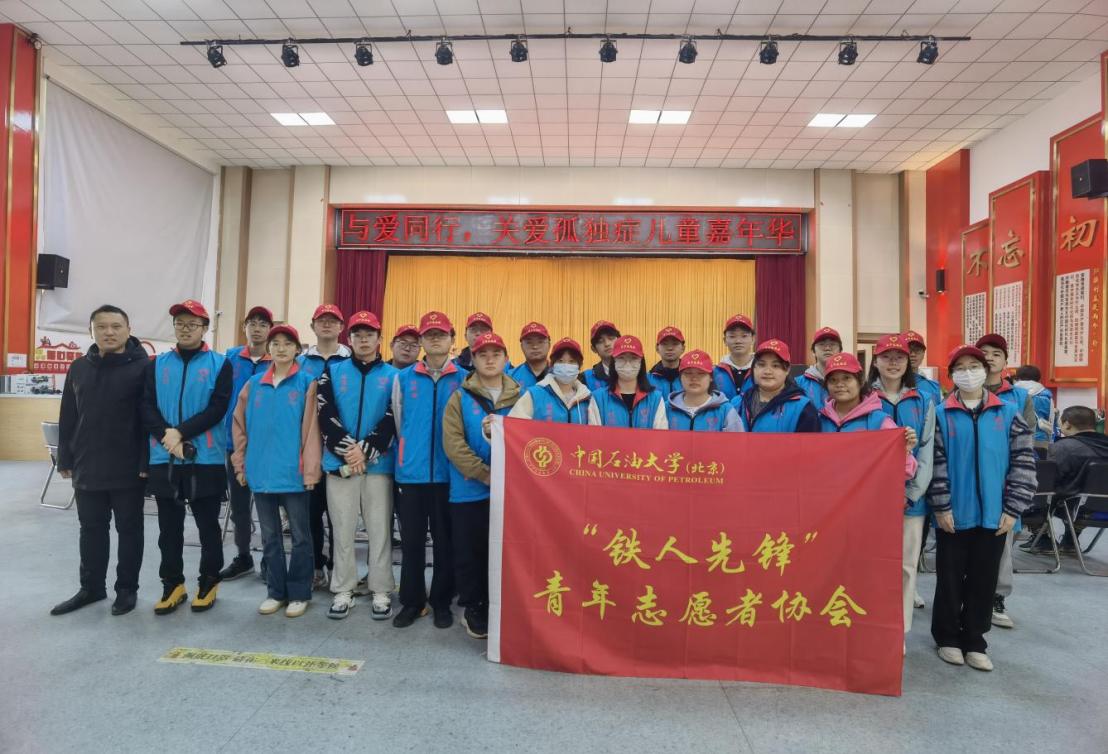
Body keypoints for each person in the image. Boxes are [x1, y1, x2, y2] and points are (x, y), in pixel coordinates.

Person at [928, 344, 1036, 672]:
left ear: (985, 370)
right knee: (949, 579)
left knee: (983, 580)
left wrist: (1013, 508)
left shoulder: (1008, 412)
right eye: (960, 367)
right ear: (951, 375)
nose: (968, 372)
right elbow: (935, 464)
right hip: (953, 515)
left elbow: (1023, 462)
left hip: (995, 516)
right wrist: (941, 506)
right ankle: (947, 636)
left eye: (974, 366)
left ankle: (975, 639)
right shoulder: (941, 414)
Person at [51, 305, 150, 617]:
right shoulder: (79, 367)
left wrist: (146, 463)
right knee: (91, 529)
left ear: (128, 329)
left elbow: (149, 420)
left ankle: (127, 590)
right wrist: (64, 456)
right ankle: (91, 587)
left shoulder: (144, 368)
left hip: (128, 467)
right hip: (87, 464)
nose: (109, 332)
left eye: (116, 326)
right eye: (102, 326)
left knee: (129, 530)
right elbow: (68, 415)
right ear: (91, 331)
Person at [141, 299, 232, 615]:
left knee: (208, 526)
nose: (185, 329)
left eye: (193, 324)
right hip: (164, 457)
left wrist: (179, 432)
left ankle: (209, 580)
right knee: (168, 529)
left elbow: (218, 408)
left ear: (205, 328)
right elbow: (146, 406)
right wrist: (167, 438)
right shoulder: (156, 365)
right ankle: (172, 584)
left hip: (204, 459)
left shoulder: (220, 364)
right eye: (180, 323)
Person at [231, 325, 321, 618]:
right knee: (270, 537)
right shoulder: (253, 384)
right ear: (269, 349)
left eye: (288, 343)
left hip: (294, 474)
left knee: (301, 537)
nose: (281, 349)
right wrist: (240, 464)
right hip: (260, 473)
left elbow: (311, 431)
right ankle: (276, 591)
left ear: (298, 349)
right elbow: (239, 427)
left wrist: (310, 471)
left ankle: (299, 592)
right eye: (276, 343)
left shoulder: (307, 383)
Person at [315, 311, 398, 621]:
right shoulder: (332, 372)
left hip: (379, 466)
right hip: (340, 465)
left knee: (380, 530)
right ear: (348, 339)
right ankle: (343, 589)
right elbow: (325, 413)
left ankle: (381, 588)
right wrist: (349, 450)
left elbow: (393, 417)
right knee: (342, 529)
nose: (364, 340)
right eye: (357, 335)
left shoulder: (395, 377)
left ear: (379, 338)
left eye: (369, 334)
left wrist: (366, 450)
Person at [443, 332, 521, 639]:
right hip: (469, 490)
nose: (490, 360)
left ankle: (500, 605)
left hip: (511, 492)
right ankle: (473, 606)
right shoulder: (459, 398)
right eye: (482, 354)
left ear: (506, 358)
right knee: (470, 552)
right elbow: (453, 444)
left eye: (496, 354)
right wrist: (485, 474)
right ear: (472, 360)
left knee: (504, 552)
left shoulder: (522, 396)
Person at [390, 310, 465, 629]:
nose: (435, 339)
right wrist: (408, 453)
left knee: (445, 542)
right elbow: (398, 421)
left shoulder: (464, 379)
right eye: (429, 334)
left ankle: (441, 601)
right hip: (412, 474)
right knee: (412, 543)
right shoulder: (404, 378)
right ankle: (412, 601)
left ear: (452, 340)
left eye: (441, 334)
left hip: (449, 475)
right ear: (421, 340)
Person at [868, 334, 937, 636]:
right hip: (871, 501)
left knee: (906, 567)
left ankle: (899, 632)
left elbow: (928, 450)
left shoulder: (923, 400)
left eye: (900, 357)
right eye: (886, 357)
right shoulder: (864, 397)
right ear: (875, 361)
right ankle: (871, 627)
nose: (893, 363)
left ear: (909, 361)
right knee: (870, 565)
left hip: (912, 502)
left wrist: (912, 494)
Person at [975, 333, 1036, 631]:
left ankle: (997, 597)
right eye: (983, 352)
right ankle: (968, 596)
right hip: (968, 480)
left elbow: (1027, 441)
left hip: (1002, 483)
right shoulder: (958, 393)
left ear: (1005, 361)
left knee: (1003, 543)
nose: (989, 357)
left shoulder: (1019, 398)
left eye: (996, 353)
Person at [217, 305, 273, 583]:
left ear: (270, 330)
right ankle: (243, 557)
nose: (257, 328)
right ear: (244, 327)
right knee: (239, 508)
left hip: (267, 446)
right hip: (234, 444)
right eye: (253, 323)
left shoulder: (278, 360)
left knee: (267, 506)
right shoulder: (229, 359)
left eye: (263, 324)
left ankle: (270, 559)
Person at [297, 304, 351, 590]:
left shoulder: (352, 360)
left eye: (333, 320)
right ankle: (315, 566)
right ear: (313, 326)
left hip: (341, 450)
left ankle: (340, 570)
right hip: (309, 449)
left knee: (339, 516)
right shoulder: (300, 362)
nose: (327, 324)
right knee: (311, 513)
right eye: (322, 320)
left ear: (342, 327)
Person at [1022, 406, 1108, 554]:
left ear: (1067, 424)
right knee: (1083, 496)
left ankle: (1043, 538)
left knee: (1036, 493)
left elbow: (1050, 481)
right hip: (1099, 508)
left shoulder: (1064, 447)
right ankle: (1070, 540)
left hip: (1072, 507)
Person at [733, 339, 821, 433]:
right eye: (761, 365)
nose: (767, 371)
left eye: (775, 366)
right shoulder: (737, 403)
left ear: (787, 369)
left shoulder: (803, 409)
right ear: (754, 368)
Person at [587, 335, 668, 429]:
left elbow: (660, 435)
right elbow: (594, 436)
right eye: (621, 358)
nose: (627, 364)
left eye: (634, 358)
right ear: (614, 362)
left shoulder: (655, 399)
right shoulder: (598, 398)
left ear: (641, 362)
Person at [509, 337, 592, 424]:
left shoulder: (587, 398)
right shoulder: (534, 395)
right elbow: (514, 424)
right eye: (560, 361)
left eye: (571, 361)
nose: (565, 366)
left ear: (579, 366)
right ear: (553, 365)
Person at [665, 349, 742, 431]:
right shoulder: (667, 408)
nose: (694, 378)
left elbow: (738, 438)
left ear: (711, 377)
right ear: (680, 377)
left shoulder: (725, 410)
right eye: (688, 373)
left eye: (701, 373)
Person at [795, 327, 842, 408]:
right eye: (822, 344)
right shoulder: (798, 383)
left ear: (840, 351)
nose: (827, 348)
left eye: (832, 344)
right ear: (813, 352)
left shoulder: (850, 382)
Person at [1013, 364, 1058, 449]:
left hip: (1016, 439)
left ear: (1018, 377)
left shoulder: (1011, 393)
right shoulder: (1046, 396)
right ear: (1038, 378)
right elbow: (1050, 419)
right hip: (1040, 440)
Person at [713, 314, 756, 400]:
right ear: (725, 340)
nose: (738, 341)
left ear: (753, 339)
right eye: (732, 336)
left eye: (744, 336)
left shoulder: (761, 371)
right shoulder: (714, 372)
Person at [902, 330, 943, 407]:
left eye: (917, 350)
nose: (913, 354)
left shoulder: (933, 387)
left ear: (923, 354)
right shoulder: (890, 385)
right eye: (908, 350)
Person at [509, 321, 551, 389]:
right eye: (529, 342)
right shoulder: (510, 377)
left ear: (549, 345)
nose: (535, 347)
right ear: (522, 346)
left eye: (540, 342)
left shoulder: (559, 375)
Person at [582, 320, 620, 392]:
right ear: (593, 349)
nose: (607, 344)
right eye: (600, 341)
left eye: (611, 338)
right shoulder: (585, 378)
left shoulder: (635, 372)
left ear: (620, 340)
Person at [649, 326, 685, 397]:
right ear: (657, 348)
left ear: (683, 348)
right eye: (664, 344)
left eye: (675, 344)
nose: (670, 348)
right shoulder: (648, 379)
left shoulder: (690, 378)